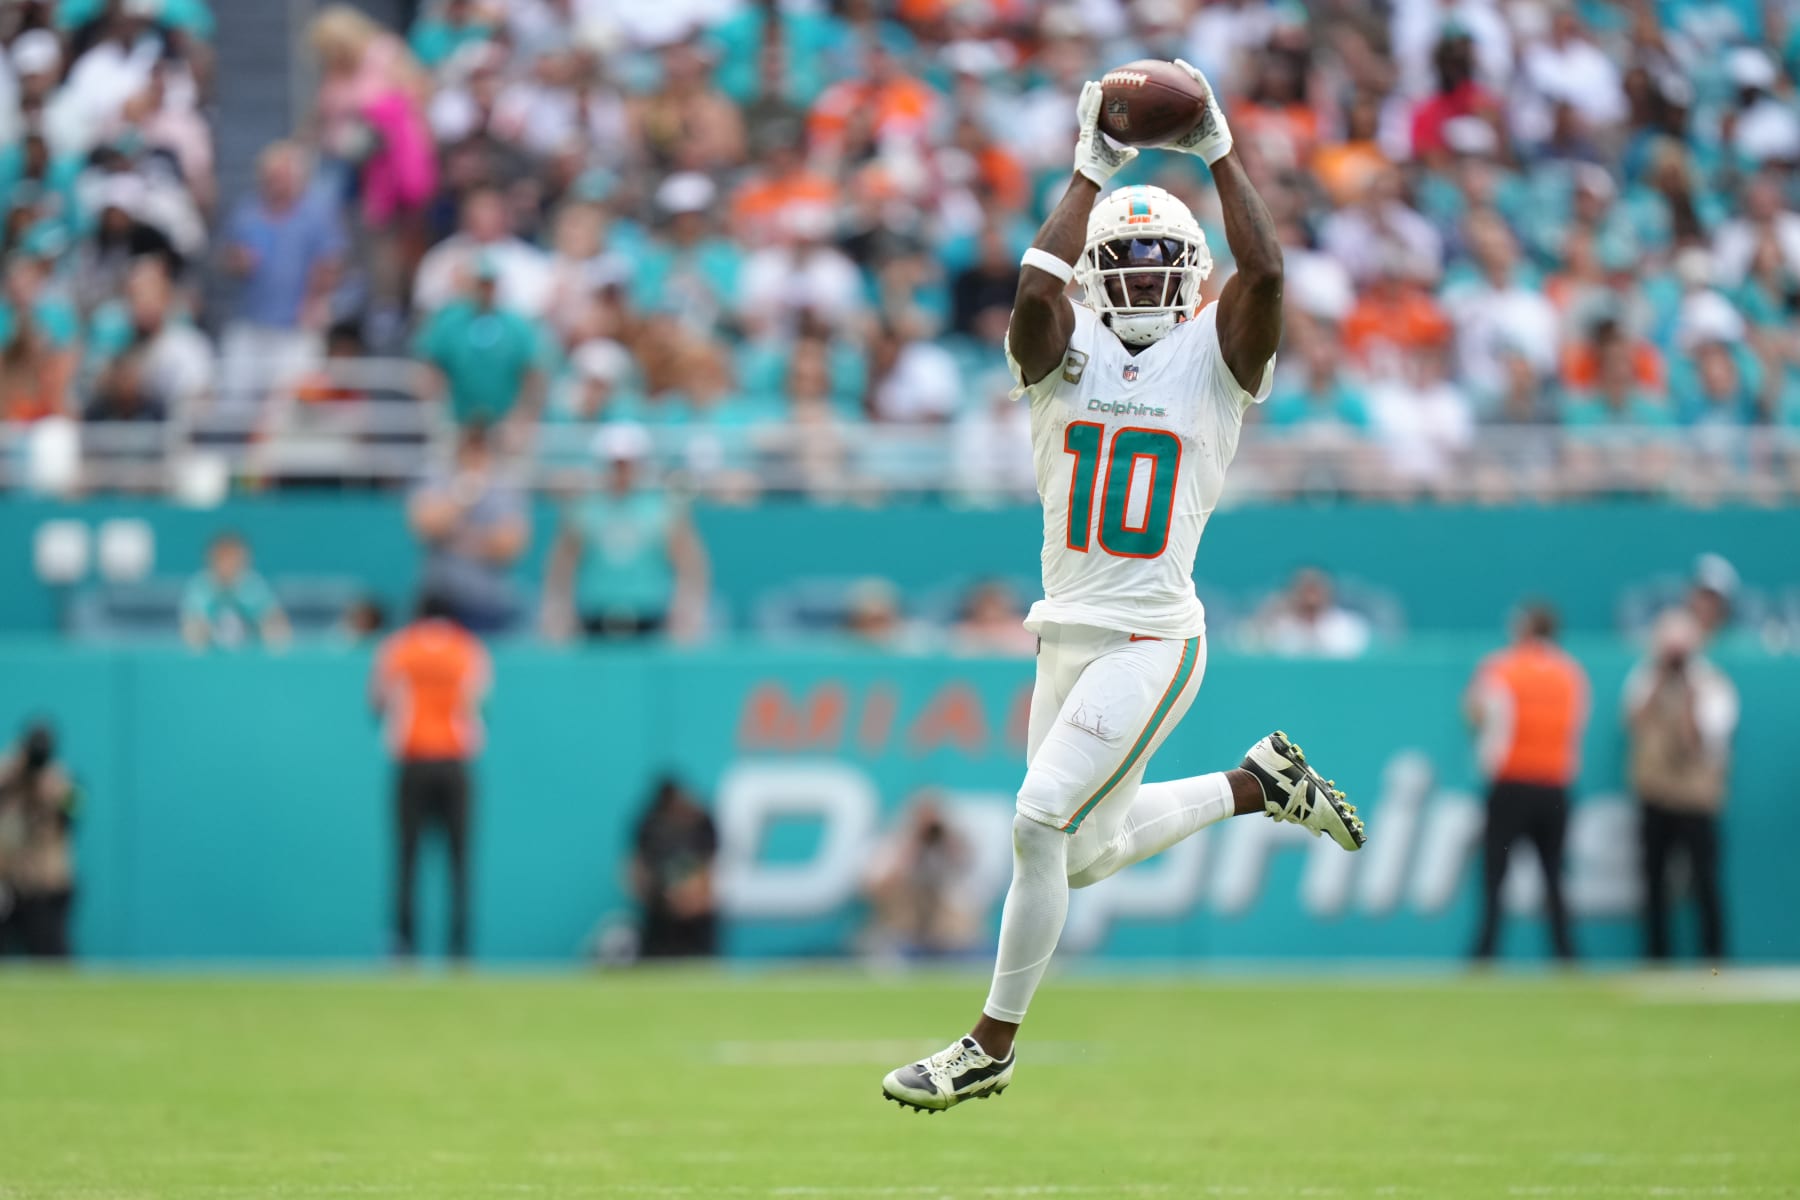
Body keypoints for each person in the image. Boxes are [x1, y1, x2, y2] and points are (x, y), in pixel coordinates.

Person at [882, 71, 1365, 1114]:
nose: (1144, 278)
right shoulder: (1059, 348)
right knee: (1085, 853)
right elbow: (1029, 300)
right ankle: (1257, 785)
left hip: (1151, 636)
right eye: (1124, 258)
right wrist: (1090, 171)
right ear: (1096, 271)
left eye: (1162, 260)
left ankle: (988, 1045)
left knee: (1036, 823)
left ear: (1193, 272)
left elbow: (1270, 270)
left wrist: (1219, 149)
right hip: (1064, 634)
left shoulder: (1219, 355)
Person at [1464, 603, 1589, 963]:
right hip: (1554, 784)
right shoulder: (1570, 672)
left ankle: (1485, 954)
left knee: (1495, 876)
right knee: (1553, 875)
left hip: (1512, 782)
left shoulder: (1502, 667)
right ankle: (1566, 955)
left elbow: (1476, 712)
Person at [370, 591, 491, 960]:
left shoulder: (399, 648)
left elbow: (377, 700)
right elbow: (478, 702)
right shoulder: (468, 649)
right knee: (460, 862)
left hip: (413, 762)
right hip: (455, 764)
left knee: (406, 859)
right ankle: (459, 950)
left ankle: (404, 947)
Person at [1625, 609, 1738, 962]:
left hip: (1696, 798)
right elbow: (1633, 722)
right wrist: (1660, 682)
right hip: (1656, 794)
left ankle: (1714, 957)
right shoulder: (1646, 677)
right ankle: (1656, 956)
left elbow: (1702, 742)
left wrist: (1689, 693)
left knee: (1704, 880)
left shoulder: (1712, 684)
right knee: (1653, 881)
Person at [541, 423, 709, 641]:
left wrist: (686, 610)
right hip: (593, 616)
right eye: (615, 465)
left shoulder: (661, 509)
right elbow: (563, 563)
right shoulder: (585, 508)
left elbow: (688, 562)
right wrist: (559, 610)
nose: (622, 472)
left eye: (628, 464)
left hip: (650, 615)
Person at [407, 422, 529, 634]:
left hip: (485, 601)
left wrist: (460, 535)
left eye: (480, 447)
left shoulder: (505, 488)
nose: (474, 454)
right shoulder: (437, 477)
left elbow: (509, 546)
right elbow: (426, 525)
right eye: (469, 447)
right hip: (440, 597)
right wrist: (461, 496)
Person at [861, 793, 979, 960]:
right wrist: (910, 850)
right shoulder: (895, 844)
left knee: (958, 914)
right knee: (902, 904)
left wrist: (948, 846)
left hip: (938, 919)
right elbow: (875, 887)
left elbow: (970, 881)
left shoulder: (947, 846)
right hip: (905, 919)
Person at [0, 721, 78, 958]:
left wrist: (57, 795)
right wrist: (10, 779)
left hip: (47, 887)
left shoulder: (58, 780)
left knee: (51, 955)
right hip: (10, 884)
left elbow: (75, 815)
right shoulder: (9, 777)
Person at [628, 775, 719, 959]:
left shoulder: (702, 821)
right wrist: (653, 894)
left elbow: (712, 862)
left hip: (697, 902)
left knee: (698, 954)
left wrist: (696, 894)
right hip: (660, 901)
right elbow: (637, 866)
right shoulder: (650, 824)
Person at [181, 531, 291, 650]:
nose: (228, 564)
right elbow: (191, 633)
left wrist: (268, 628)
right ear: (211, 559)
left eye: (233, 558)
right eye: (222, 558)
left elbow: (280, 628)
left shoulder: (254, 586)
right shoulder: (199, 587)